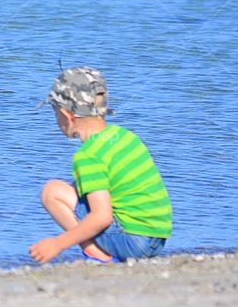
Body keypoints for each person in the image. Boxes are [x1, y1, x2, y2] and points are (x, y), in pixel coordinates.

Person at [29, 67, 171, 263]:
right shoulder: (124, 136)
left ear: (66, 115)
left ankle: (95, 252)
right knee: (78, 188)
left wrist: (58, 243)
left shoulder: (88, 155)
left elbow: (102, 217)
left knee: (51, 192)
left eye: (54, 112)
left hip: (134, 243)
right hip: (157, 239)